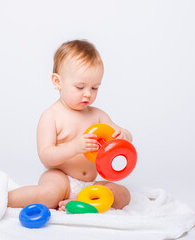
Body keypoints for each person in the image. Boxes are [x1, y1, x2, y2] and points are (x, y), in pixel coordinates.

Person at [8, 40, 133, 211]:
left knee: (123, 194)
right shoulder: (51, 116)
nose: (88, 94)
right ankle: (3, 198)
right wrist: (74, 147)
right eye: (80, 87)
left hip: (90, 183)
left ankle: (81, 204)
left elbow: (121, 138)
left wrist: (124, 135)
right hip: (61, 179)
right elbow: (46, 156)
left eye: (95, 88)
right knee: (49, 194)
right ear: (57, 81)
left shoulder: (98, 115)